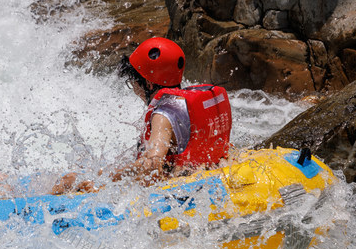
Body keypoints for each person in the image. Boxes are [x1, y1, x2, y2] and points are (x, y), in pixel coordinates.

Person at [53, 38, 231, 193]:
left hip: (175, 187)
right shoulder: (187, 101)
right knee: (76, 176)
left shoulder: (163, 114)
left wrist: (105, 179)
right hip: (204, 172)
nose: (135, 89)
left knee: (68, 182)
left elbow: (153, 164)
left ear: (147, 82)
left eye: (134, 83)